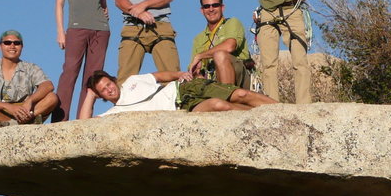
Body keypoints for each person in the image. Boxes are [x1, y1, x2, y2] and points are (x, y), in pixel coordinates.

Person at [53, 0, 110, 121]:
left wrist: (105, 11)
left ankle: (83, 119)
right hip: (76, 28)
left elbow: (102, 3)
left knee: (92, 77)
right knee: (69, 72)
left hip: (100, 30)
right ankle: (59, 120)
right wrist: (61, 31)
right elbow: (59, 3)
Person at [79, 70, 276, 118]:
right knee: (219, 106)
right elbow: (83, 126)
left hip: (182, 88)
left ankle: (285, 110)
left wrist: (178, 74)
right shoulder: (113, 113)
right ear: (101, 97)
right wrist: (89, 95)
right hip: (181, 107)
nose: (109, 89)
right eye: (103, 90)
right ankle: (262, 116)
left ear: (113, 80)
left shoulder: (132, 81)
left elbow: (158, 76)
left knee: (240, 94)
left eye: (108, 84)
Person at [0, 30, 58, 129]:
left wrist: (30, 101)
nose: (12, 46)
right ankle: (9, 123)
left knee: (52, 98)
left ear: (22, 46)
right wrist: (8, 107)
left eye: (17, 43)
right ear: (0, 46)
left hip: (25, 110)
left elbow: (47, 85)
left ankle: (23, 120)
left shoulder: (30, 67)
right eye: (7, 43)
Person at [188, 0, 252, 88]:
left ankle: (226, 96)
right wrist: (197, 73)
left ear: (222, 7)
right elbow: (192, 68)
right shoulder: (198, 39)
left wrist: (201, 56)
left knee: (220, 55)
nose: (211, 9)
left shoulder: (232, 23)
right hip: (211, 81)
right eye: (206, 6)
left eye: (215, 5)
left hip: (239, 76)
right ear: (202, 10)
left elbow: (230, 46)